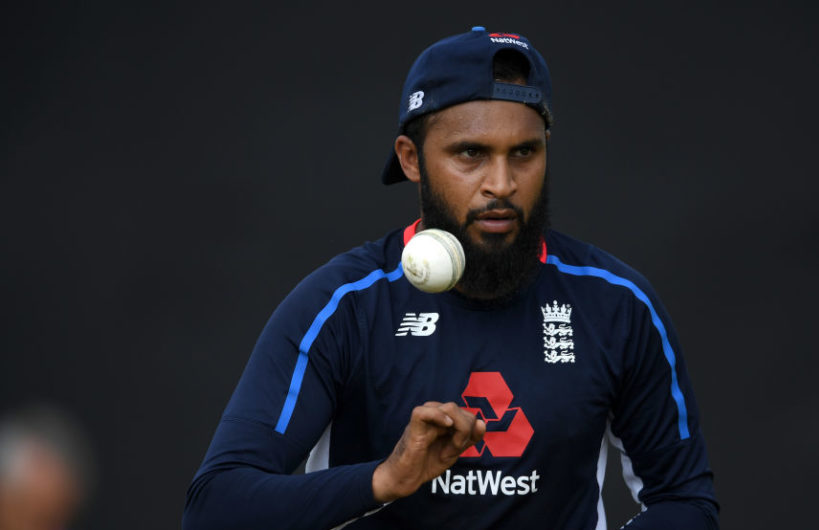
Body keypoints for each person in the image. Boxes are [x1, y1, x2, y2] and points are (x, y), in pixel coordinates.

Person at [184, 27, 718, 529]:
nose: (502, 184)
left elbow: (685, 501)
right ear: (411, 159)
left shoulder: (617, 303)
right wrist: (384, 479)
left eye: (524, 152)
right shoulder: (343, 305)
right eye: (471, 154)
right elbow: (215, 506)